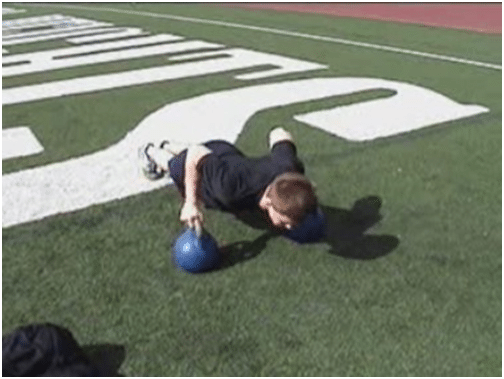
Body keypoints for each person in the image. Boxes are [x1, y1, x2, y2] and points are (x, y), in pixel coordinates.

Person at [138, 127, 318, 232]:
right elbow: (195, 154)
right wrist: (191, 203)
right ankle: (151, 151)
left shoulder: (290, 168)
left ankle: (168, 144)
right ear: (269, 202)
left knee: (208, 159)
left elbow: (279, 132)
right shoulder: (230, 189)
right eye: (286, 221)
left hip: (227, 155)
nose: (289, 228)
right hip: (209, 171)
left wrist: (302, 194)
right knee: (175, 166)